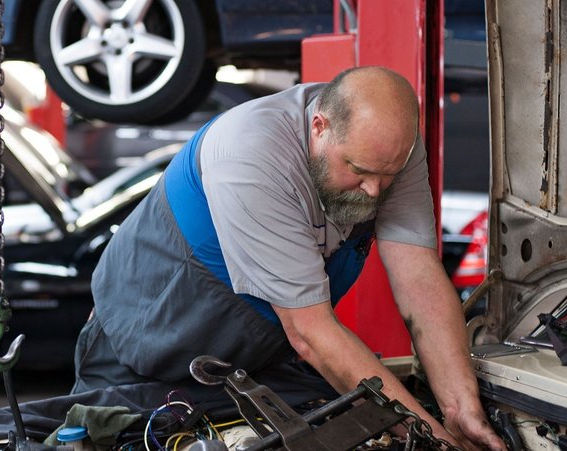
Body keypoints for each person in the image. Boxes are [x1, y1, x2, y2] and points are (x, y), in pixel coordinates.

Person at [71, 66, 504, 450]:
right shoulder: (251, 156)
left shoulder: (385, 146)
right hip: (141, 347)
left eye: (386, 176)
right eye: (359, 171)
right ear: (319, 127)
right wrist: (428, 437)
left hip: (246, 363)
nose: (375, 190)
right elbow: (311, 333)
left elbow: (418, 274)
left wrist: (459, 405)